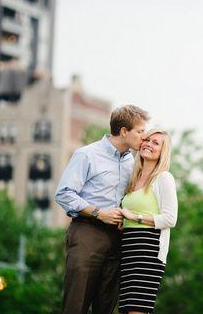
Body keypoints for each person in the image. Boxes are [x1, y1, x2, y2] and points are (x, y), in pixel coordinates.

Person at [55, 105, 150, 314]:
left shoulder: (132, 162)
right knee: (75, 304)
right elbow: (64, 193)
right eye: (140, 131)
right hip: (87, 233)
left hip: (118, 239)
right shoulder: (87, 154)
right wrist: (99, 212)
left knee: (105, 306)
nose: (145, 136)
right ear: (124, 131)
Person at [117, 129, 178, 314]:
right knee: (127, 308)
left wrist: (135, 217)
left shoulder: (163, 178)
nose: (149, 144)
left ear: (163, 151)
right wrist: (123, 221)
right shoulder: (133, 178)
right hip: (129, 248)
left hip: (148, 251)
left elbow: (170, 218)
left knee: (137, 308)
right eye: (147, 140)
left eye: (156, 143)